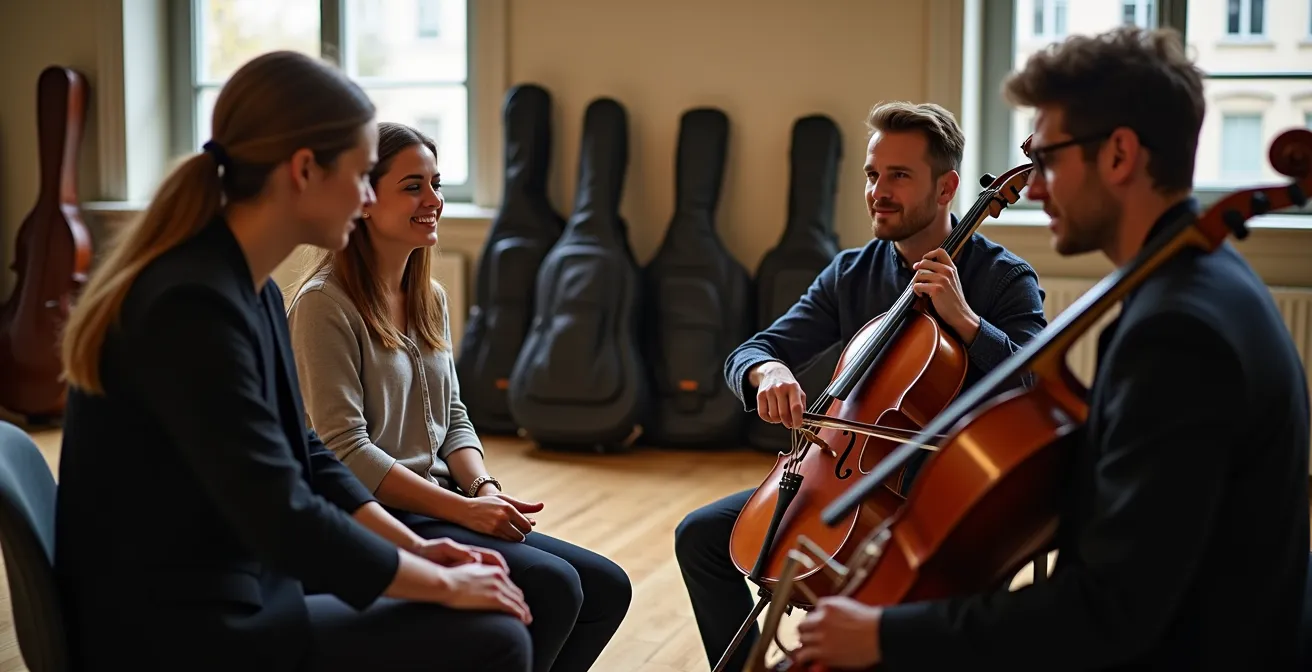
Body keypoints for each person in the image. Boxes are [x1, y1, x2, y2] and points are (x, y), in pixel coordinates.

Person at [793, 26, 1311, 671]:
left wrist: (886, 635)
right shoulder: (1201, 285)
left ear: (1119, 155)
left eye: (1049, 162)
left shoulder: (1178, 331)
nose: (1031, 190)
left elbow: (1109, 608)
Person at [54, 51, 535, 671]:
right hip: (180, 628)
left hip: (234, 586)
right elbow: (279, 511)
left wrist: (420, 549)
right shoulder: (189, 305)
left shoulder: (244, 286)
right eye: (363, 174)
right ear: (305, 170)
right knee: (495, 636)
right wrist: (438, 582)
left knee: (503, 613)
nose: (366, 196)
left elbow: (308, 453)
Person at [674, 101, 1049, 671]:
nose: (879, 191)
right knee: (701, 537)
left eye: (899, 176)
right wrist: (765, 371)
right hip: (842, 472)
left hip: (946, 490)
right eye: (874, 175)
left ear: (947, 188)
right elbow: (751, 351)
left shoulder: (1002, 277)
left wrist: (967, 323)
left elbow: (1034, 381)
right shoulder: (852, 270)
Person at [284, 121, 632, 672]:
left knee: (609, 588)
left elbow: (451, 414)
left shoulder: (430, 296)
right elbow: (343, 449)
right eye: (412, 186)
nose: (434, 201)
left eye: (436, 183)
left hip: (441, 498)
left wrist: (483, 487)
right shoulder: (323, 304)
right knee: (557, 588)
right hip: (380, 513)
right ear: (366, 202)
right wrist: (465, 510)